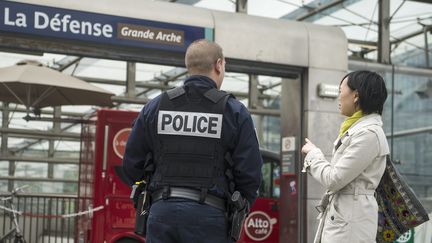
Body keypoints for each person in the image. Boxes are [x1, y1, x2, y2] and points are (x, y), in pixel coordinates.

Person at [122, 39, 263, 243]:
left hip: (162, 213)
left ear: (188, 66)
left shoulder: (155, 107)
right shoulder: (234, 111)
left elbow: (131, 165)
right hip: (210, 216)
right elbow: (250, 174)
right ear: (219, 64)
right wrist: (239, 205)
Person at [301, 70, 389, 243]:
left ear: (355, 96)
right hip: (348, 215)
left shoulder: (368, 134)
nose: (339, 97)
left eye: (341, 91)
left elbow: (334, 179)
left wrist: (313, 155)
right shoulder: (358, 130)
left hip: (351, 221)